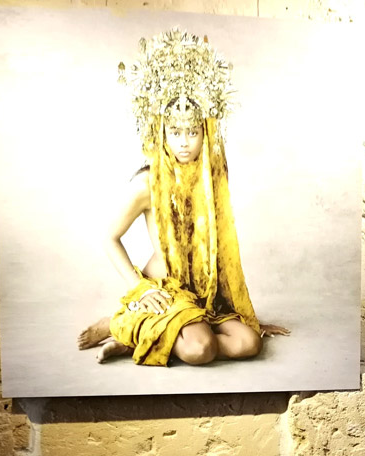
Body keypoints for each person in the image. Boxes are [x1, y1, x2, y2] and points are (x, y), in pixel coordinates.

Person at [77, 29, 287, 366]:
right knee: (200, 350)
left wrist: (244, 313)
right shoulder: (148, 183)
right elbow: (108, 237)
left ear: (206, 132)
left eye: (193, 131)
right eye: (175, 132)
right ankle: (125, 325)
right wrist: (141, 288)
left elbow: (220, 249)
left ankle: (145, 336)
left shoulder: (210, 178)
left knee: (248, 344)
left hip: (204, 291)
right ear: (161, 132)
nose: (185, 142)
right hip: (166, 289)